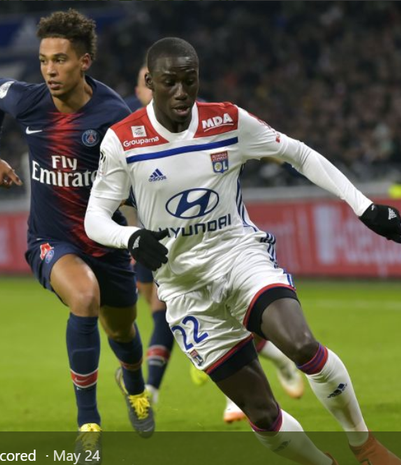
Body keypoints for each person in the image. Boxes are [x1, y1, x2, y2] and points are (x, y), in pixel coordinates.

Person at [85, 37, 401, 465]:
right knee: (262, 413)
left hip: (239, 257)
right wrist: (132, 238)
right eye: (170, 82)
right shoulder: (123, 141)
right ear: (150, 82)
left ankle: (365, 447)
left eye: (189, 81)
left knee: (303, 344)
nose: (181, 92)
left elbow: (299, 154)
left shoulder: (227, 121)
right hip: (185, 290)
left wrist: (363, 206)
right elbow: (95, 219)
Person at [0, 9, 154, 450]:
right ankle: (89, 425)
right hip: (50, 240)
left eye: (60, 60)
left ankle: (133, 386)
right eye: (43, 60)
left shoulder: (113, 116)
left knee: (123, 333)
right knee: (83, 297)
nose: (50, 70)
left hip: (103, 241)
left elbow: (134, 185)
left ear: (84, 62)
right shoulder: (28, 101)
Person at [125, 65, 305, 423]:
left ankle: (154, 393)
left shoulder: (196, 116)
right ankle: (274, 357)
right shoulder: (129, 130)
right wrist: (130, 235)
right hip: (153, 239)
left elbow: (245, 140)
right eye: (146, 82)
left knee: (181, 312)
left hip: (205, 236)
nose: (152, 89)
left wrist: (276, 154)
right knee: (158, 310)